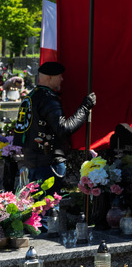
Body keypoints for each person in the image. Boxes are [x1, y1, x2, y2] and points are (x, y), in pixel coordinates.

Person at [15, 61, 96, 192]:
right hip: (48, 164)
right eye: (59, 76)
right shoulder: (48, 99)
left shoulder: (30, 96)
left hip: (31, 161)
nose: (62, 79)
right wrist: (85, 107)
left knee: (37, 209)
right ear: (50, 78)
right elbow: (64, 129)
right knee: (48, 208)